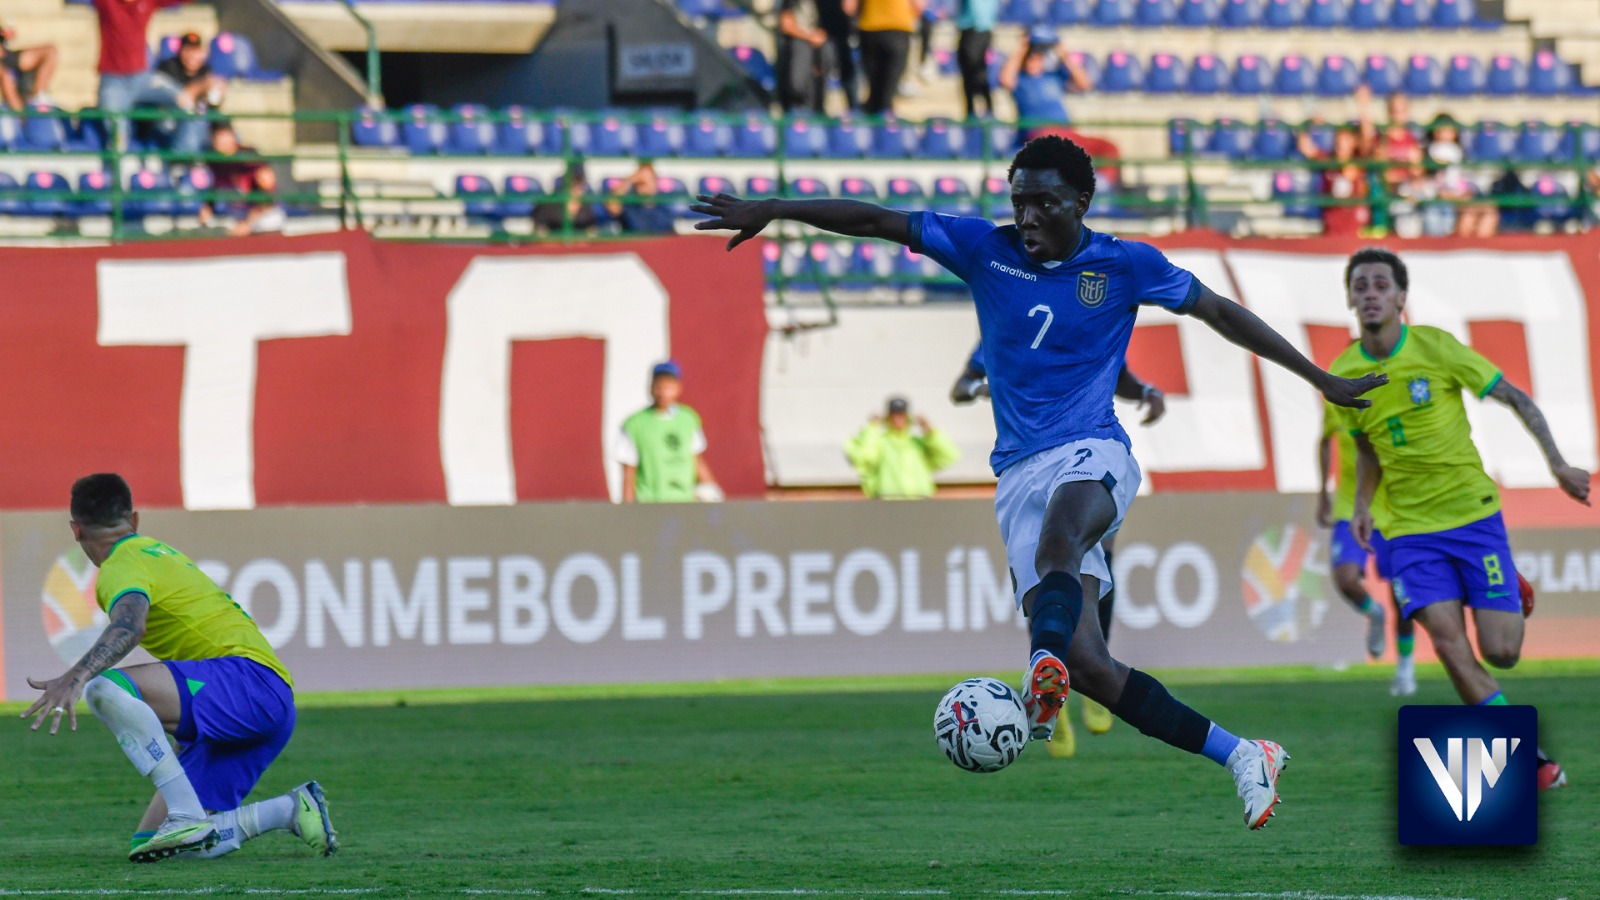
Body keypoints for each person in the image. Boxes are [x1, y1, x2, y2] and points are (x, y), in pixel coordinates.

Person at [693, 135, 1385, 828]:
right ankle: (1242, 754)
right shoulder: (981, 249)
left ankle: (1040, 669)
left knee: (1064, 541)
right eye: (1018, 202)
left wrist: (1320, 378)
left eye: (1042, 204)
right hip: (1017, 476)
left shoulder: (1124, 265)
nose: (1025, 217)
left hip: (1093, 451)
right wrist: (776, 209)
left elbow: (1220, 313)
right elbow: (877, 219)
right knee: (1095, 669)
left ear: (1080, 203)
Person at [1333, 247, 1586, 791]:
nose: (1370, 293)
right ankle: (1530, 760)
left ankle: (1509, 588)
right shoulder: (1344, 373)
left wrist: (1558, 463)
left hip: (1472, 516)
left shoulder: (1437, 349)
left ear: (1401, 298)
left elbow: (1516, 397)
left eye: (1381, 284)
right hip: (1405, 529)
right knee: (1447, 641)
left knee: (1502, 651)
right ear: (1350, 300)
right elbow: (1367, 448)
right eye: (1360, 285)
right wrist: (1359, 508)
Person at [21, 474, 337, 862]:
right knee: (156, 846)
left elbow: (129, 626)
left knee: (105, 689)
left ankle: (186, 815)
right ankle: (289, 809)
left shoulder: (121, 564)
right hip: (266, 699)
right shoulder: (155, 550)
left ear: (75, 529)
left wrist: (75, 677)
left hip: (246, 684)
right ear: (134, 520)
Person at [953, 343, 1166, 756]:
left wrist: (1144, 391)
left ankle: (1086, 665)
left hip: (1089, 449)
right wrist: (981, 387)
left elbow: (1118, 373)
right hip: (1032, 460)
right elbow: (961, 387)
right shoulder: (1005, 329)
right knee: (1045, 570)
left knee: (1098, 551)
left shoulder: (1087, 317)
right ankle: (1054, 676)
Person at [1316, 396, 1414, 694]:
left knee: (1403, 599)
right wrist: (1323, 491)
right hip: (1350, 507)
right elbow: (1322, 442)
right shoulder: (1338, 401)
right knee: (1345, 579)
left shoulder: (1398, 401)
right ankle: (1373, 611)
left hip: (1393, 513)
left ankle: (1405, 669)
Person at [618, 361, 721, 504]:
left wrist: (712, 490)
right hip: (650, 504)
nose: (664, 392)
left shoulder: (689, 419)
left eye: (669, 387)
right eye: (659, 386)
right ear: (651, 388)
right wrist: (626, 509)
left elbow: (696, 459)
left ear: (678, 388)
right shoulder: (634, 424)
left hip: (685, 501)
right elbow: (629, 472)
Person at [844, 397, 960, 499]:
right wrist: (872, 428)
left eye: (902, 415)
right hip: (886, 502)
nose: (898, 419)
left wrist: (930, 431)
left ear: (908, 417)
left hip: (919, 501)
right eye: (894, 415)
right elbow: (863, 458)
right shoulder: (880, 442)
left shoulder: (918, 443)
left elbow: (950, 456)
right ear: (888, 418)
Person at [95, 0, 191, 119]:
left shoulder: (146, 2)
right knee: (116, 128)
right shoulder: (107, 3)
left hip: (142, 77)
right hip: (113, 81)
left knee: (187, 104)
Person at [997, 28, 1092, 133]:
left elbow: (1084, 84)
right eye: (1030, 57)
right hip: (1037, 134)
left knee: (1106, 146)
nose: (1034, 61)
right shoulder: (1020, 79)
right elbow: (1005, 80)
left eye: (1038, 57)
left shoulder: (1054, 76)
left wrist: (1064, 55)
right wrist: (1023, 48)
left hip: (1065, 132)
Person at [199, 121, 283, 236]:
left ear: (233, 136)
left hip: (258, 216)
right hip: (233, 216)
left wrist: (248, 224)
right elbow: (213, 192)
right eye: (216, 137)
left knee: (270, 221)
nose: (221, 142)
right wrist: (207, 210)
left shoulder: (249, 158)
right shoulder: (214, 162)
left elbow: (268, 197)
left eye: (224, 136)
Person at [154, 32, 228, 154]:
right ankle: (186, 164)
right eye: (188, 50)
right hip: (170, 122)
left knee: (223, 132)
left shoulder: (206, 70)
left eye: (196, 51)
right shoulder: (168, 67)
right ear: (180, 52)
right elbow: (179, 98)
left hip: (199, 121)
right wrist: (201, 86)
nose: (192, 56)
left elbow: (212, 105)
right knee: (191, 122)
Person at [846, 0, 923, 116]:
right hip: (899, 29)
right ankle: (885, 123)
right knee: (888, 90)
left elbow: (849, 7)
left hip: (869, 28)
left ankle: (873, 121)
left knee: (875, 90)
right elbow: (919, 6)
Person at [1296, 124, 1371, 237]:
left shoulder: (1359, 162)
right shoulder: (1328, 161)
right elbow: (1306, 147)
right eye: (1338, 140)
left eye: (1345, 140)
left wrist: (1364, 110)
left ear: (1354, 142)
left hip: (1354, 229)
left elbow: (1367, 139)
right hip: (1332, 227)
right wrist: (1307, 125)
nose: (1340, 144)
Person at [778, 0, 836, 113]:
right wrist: (810, 37)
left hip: (817, 54)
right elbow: (786, 25)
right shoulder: (790, 3)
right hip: (798, 50)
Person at [953, 0, 998, 119]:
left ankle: (986, 110)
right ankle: (973, 111)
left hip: (977, 28)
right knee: (970, 72)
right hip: (973, 28)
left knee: (976, 71)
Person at [605, 160, 676, 235]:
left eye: (646, 183)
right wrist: (629, 180)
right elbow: (612, 206)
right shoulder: (630, 207)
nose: (643, 189)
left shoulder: (664, 207)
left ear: (655, 183)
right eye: (639, 183)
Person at [0, 19, 58, 110]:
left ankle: (38, 96)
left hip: (7, 55)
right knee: (5, 75)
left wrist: (5, 34)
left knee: (51, 51)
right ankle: (21, 115)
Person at [534, 160, 599, 234]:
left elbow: (591, 232)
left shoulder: (586, 207)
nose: (577, 187)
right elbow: (540, 231)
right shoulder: (550, 205)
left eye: (580, 182)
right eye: (574, 181)